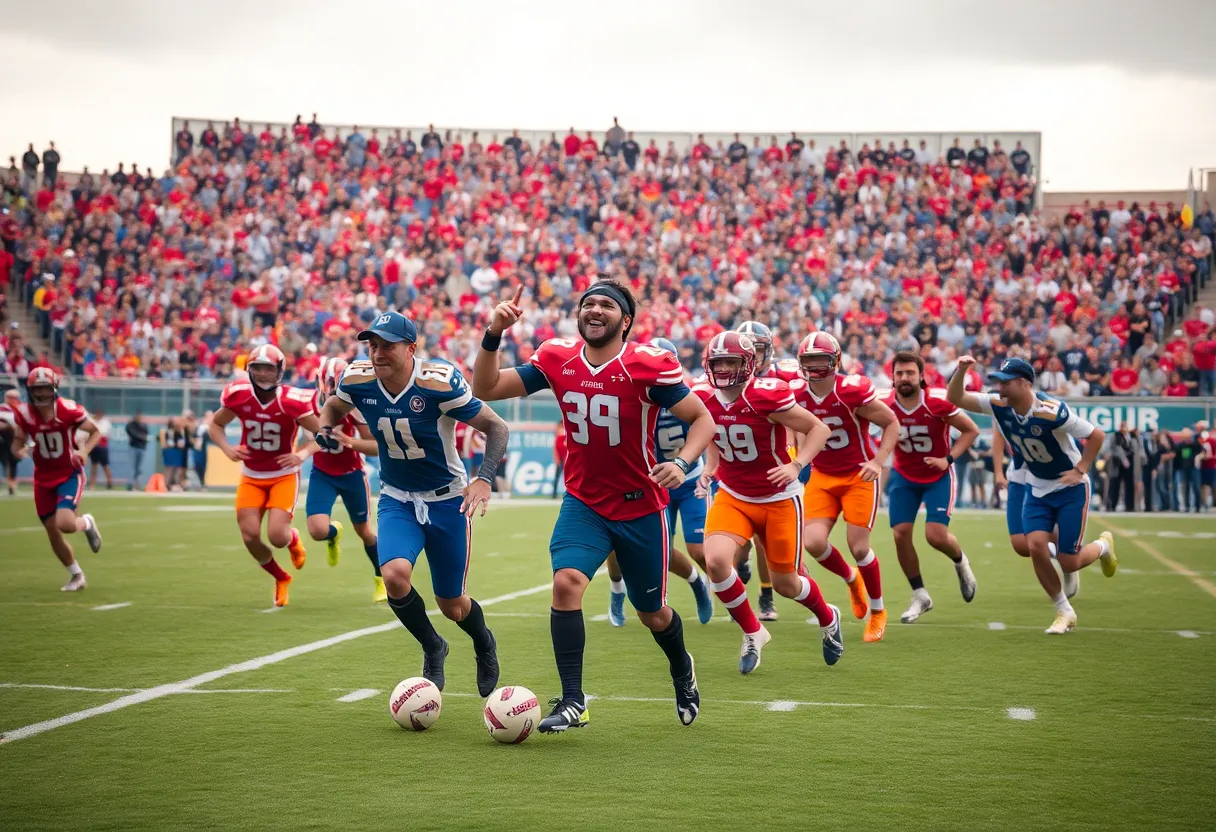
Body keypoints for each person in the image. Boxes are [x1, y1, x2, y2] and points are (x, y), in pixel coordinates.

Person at [472, 281, 714, 732]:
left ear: (625, 320)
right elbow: (485, 387)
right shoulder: (557, 357)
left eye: (607, 304)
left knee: (653, 614)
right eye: (588, 303)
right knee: (566, 584)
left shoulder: (647, 364)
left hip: (640, 505)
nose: (595, 310)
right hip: (584, 501)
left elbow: (702, 418)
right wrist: (494, 332)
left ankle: (682, 669)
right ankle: (572, 699)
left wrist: (682, 462)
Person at [318, 311, 509, 698]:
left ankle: (484, 643)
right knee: (394, 576)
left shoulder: (437, 383)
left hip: (446, 499)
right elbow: (333, 407)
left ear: (411, 348)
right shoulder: (357, 379)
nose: (377, 353)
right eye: (372, 345)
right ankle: (432, 645)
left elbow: (497, 427)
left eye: (387, 345)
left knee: (452, 604)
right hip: (397, 497)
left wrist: (485, 479)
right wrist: (324, 428)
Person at [693, 331, 843, 673]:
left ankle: (827, 616)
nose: (724, 369)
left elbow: (818, 429)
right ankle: (752, 631)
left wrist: (796, 464)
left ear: (747, 365)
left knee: (786, 584)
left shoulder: (766, 394)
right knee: (715, 561)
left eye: (731, 362)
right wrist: (712, 466)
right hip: (734, 495)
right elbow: (710, 430)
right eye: (718, 363)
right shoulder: (702, 395)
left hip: (778, 498)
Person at [948, 356, 1117, 634]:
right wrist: (962, 370)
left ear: (1025, 384)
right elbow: (956, 397)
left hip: (1070, 488)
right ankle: (1064, 611)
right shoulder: (999, 405)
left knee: (1069, 560)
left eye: (1006, 382)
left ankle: (1102, 547)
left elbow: (1096, 435)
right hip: (1038, 485)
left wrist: (1081, 469)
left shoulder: (1052, 410)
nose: (999, 388)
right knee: (1034, 545)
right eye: (998, 382)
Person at [794, 332, 900, 643]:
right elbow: (793, 427)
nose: (814, 367)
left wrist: (879, 461)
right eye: (808, 360)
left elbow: (891, 422)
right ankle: (851, 578)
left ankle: (878, 610)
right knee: (813, 543)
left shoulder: (851, 390)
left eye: (820, 359)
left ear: (835, 361)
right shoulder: (797, 394)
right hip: (822, 476)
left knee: (858, 545)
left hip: (858, 475)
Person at [605, 337, 714, 627]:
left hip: (688, 480)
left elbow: (708, 427)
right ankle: (617, 590)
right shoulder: (630, 394)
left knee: (700, 551)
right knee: (624, 545)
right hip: (649, 483)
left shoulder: (686, 393)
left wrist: (693, 465)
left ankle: (699, 583)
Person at [208, 345, 323, 607]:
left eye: (268, 368)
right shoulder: (238, 395)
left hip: (283, 474)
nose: (262, 373)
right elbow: (216, 424)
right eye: (256, 367)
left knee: (277, 537)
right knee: (249, 535)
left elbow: (322, 435)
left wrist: (301, 455)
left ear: (280, 370)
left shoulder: (292, 401)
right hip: (251, 474)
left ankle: (293, 538)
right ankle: (281, 577)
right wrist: (227, 449)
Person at [880, 352, 980, 624]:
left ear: (921, 375)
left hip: (937, 476)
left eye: (910, 373)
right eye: (899, 373)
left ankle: (961, 563)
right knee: (900, 535)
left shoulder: (937, 401)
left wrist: (947, 459)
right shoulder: (885, 405)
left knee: (935, 535)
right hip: (904, 475)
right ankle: (920, 594)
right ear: (892, 377)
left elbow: (971, 430)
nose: (904, 378)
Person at [8, 368, 103, 590]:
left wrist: (84, 452)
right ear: (30, 390)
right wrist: (18, 450)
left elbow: (95, 431)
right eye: (36, 389)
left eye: (44, 388)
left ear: (54, 389)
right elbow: (18, 441)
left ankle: (87, 522)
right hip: (42, 478)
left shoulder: (68, 409)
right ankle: (77, 575)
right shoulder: (23, 413)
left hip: (68, 473)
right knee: (52, 530)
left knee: (65, 524)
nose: (41, 394)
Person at [734, 320, 803, 621]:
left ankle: (765, 594)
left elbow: (803, 421)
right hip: (736, 463)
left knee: (765, 541)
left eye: (758, 349)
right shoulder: (726, 375)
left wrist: (796, 460)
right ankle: (741, 570)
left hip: (778, 461)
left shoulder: (785, 377)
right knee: (735, 544)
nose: (754, 356)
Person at [301, 357, 385, 602]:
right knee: (317, 531)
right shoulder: (305, 403)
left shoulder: (354, 406)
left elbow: (376, 445)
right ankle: (333, 533)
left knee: (365, 532)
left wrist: (352, 442)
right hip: (323, 474)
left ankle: (380, 577)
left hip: (351, 474)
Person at [1173, 428, 1205, 512]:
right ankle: (1187, 506)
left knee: (1196, 487)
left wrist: (1198, 457)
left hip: (1194, 468)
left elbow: (1203, 452)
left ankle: (1197, 506)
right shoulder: (1180, 445)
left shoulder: (1195, 444)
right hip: (1183, 468)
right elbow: (1177, 457)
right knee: (1185, 487)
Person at [86, 408, 113, 489]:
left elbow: (102, 433)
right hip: (93, 447)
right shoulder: (91, 421)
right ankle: (92, 484)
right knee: (93, 466)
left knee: (105, 466)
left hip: (102, 447)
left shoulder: (106, 422)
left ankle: (109, 483)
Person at [0, 388, 20, 494]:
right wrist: (9, 426)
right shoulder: (3, 409)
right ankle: (10, 484)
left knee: (13, 462)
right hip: (4, 439)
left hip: (15, 439)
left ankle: (12, 482)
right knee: (6, 461)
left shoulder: (19, 409)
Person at [125, 411, 149, 490]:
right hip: (133, 447)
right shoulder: (131, 425)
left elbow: (145, 434)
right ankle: (131, 485)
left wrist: (142, 438)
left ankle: (137, 484)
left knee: (138, 468)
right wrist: (142, 437)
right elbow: (132, 433)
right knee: (132, 467)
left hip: (141, 448)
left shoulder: (143, 425)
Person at [159, 417, 183, 489]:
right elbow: (163, 443)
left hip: (176, 450)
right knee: (168, 468)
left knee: (176, 468)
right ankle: (165, 484)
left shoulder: (177, 431)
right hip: (168, 450)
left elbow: (180, 441)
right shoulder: (165, 431)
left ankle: (174, 484)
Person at [191, 411, 212, 490]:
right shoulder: (201, 425)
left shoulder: (208, 426)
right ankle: (198, 483)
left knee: (202, 466)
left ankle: (201, 483)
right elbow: (194, 436)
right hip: (198, 448)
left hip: (203, 448)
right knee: (198, 465)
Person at [551, 421, 566, 498]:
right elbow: (555, 448)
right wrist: (556, 458)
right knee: (557, 476)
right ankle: (554, 494)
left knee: (567, 477)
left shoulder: (566, 432)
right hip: (560, 458)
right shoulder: (558, 435)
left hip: (566, 457)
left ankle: (568, 493)